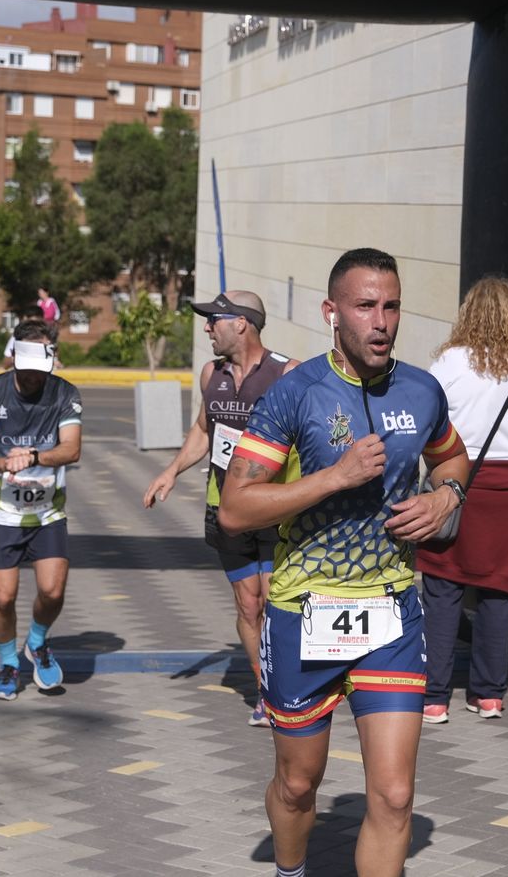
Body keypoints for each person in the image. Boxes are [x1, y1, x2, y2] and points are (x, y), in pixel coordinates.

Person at [219, 248, 469, 877]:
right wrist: (334, 477)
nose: (381, 321)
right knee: (299, 785)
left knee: (394, 794)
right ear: (333, 313)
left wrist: (446, 495)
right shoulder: (293, 393)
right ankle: (290, 869)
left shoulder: (421, 388)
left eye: (391, 306)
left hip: (390, 612)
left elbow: (453, 458)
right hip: (304, 612)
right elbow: (236, 508)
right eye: (365, 306)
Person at [142, 291, 298, 727]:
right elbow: (204, 429)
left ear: (242, 324)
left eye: (215, 320)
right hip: (224, 507)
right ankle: (265, 689)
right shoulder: (212, 373)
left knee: (275, 600)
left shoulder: (287, 373)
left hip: (270, 507)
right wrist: (171, 471)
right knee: (248, 606)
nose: (207, 327)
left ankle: (289, 686)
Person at [415, 276, 508, 724]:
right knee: (500, 591)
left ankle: (435, 698)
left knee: (442, 589)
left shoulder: (451, 364)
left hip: (457, 484)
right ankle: (489, 695)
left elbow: (426, 422)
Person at [0, 321, 83, 700]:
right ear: (13, 356)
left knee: (53, 590)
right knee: (3, 597)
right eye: (25, 367)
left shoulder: (65, 394)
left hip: (47, 512)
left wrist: (32, 456)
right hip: (1, 513)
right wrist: (4, 465)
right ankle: (9, 664)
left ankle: (37, 642)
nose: (32, 376)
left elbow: (71, 450)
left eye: (40, 369)